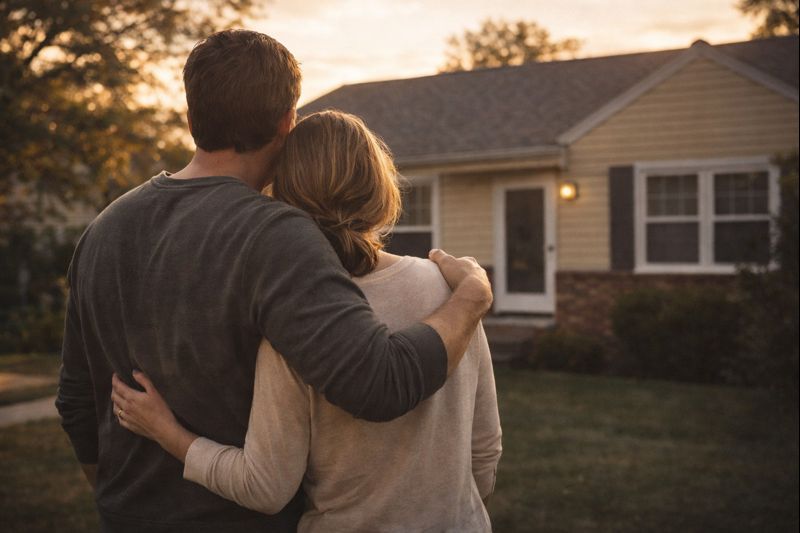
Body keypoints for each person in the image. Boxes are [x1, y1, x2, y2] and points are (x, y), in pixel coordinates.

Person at [55, 30, 492, 533]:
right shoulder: (274, 235)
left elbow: (76, 402)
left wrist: (117, 500)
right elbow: (378, 383)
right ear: (287, 123)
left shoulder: (104, 228)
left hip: (123, 514)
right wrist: (471, 298)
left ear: (192, 118)